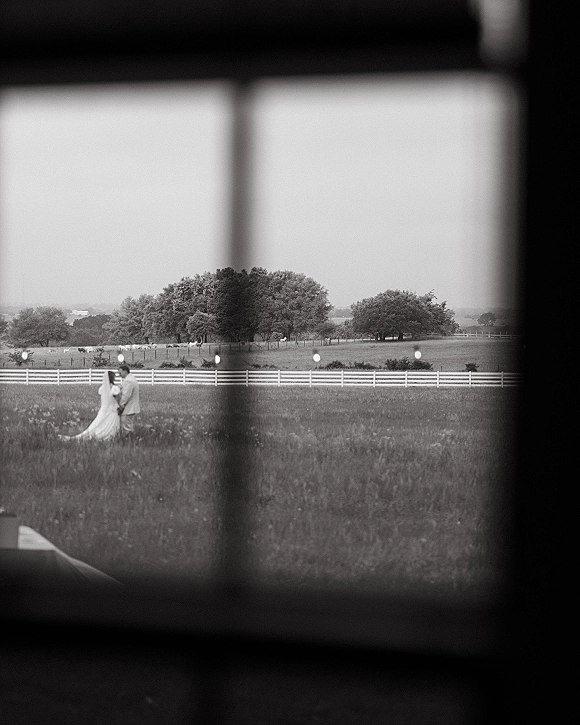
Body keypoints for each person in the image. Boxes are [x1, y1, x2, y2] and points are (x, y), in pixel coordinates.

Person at [60, 371, 121, 441]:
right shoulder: (114, 388)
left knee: (98, 423)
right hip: (112, 410)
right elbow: (116, 399)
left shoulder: (102, 388)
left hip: (104, 409)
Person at [117, 363, 140, 435]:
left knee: (126, 427)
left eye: (120, 373)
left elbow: (126, 395)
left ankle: (127, 441)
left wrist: (121, 405)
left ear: (125, 371)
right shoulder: (131, 378)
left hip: (128, 408)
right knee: (128, 426)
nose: (119, 375)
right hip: (131, 407)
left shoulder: (128, 381)